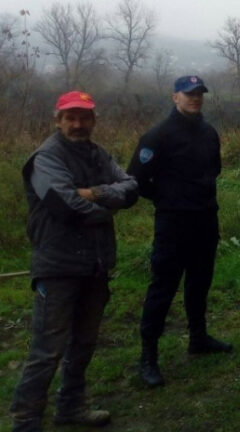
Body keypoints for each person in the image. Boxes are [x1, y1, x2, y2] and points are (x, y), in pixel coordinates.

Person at [10, 91, 138, 432]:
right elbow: (65, 206)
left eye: (84, 117)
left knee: (84, 342)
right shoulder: (45, 158)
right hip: (58, 266)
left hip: (95, 263)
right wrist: (107, 207)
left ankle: (71, 406)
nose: (78, 124)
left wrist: (94, 193)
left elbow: (131, 188)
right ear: (58, 120)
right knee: (47, 349)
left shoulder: (98, 153)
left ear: (94, 120)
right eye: (71, 117)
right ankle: (26, 420)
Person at [127, 75, 232, 388]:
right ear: (175, 97)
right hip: (173, 224)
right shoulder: (157, 135)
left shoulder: (209, 132)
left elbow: (214, 170)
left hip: (205, 220)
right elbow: (136, 179)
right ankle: (148, 356)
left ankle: (198, 338)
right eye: (189, 94)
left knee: (200, 283)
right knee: (163, 287)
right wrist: (167, 199)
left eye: (199, 94)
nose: (195, 98)